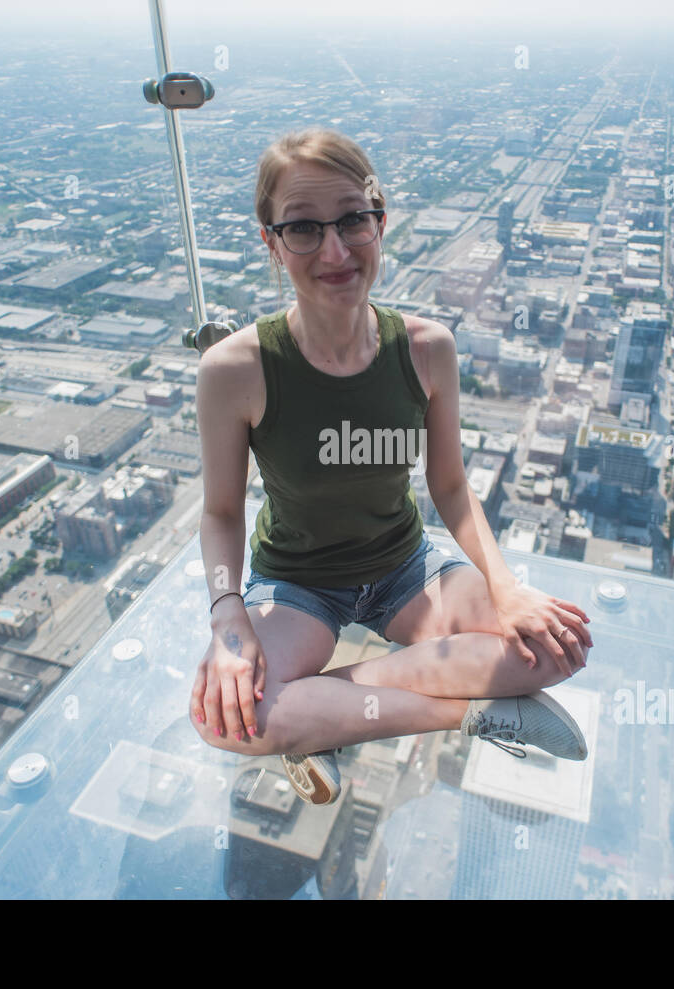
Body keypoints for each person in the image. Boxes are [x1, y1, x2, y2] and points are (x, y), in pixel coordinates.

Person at [189, 126, 593, 804]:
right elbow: (222, 512)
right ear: (271, 241)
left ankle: (322, 718)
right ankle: (461, 708)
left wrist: (508, 587)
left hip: (406, 566)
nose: (336, 250)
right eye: (304, 229)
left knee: (552, 649)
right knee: (227, 717)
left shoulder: (427, 349)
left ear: (381, 219)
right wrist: (230, 620)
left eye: (352, 219)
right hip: (298, 581)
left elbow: (452, 488)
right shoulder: (235, 369)